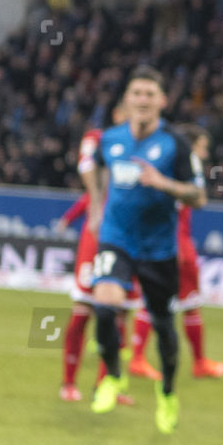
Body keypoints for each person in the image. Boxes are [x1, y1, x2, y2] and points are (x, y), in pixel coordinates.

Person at [88, 67, 206, 432]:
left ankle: (168, 391)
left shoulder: (176, 143)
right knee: (104, 308)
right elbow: (95, 170)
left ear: (162, 101)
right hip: (116, 238)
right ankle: (112, 376)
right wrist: (96, 207)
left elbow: (198, 196)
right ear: (126, 99)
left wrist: (162, 183)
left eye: (149, 94)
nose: (142, 99)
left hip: (158, 249)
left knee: (162, 325)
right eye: (136, 92)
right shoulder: (109, 139)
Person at [55, 104, 141, 403]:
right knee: (83, 312)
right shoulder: (99, 139)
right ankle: (68, 383)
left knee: (120, 315)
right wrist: (90, 208)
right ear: (117, 114)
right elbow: (86, 166)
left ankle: (108, 383)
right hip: (97, 239)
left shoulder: (148, 148)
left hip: (130, 240)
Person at [129, 125, 223, 380]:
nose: (205, 154)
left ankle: (139, 358)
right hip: (178, 245)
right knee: (190, 305)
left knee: (154, 300)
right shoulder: (188, 163)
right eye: (203, 147)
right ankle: (197, 362)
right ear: (191, 146)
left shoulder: (163, 164)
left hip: (159, 241)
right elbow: (198, 199)